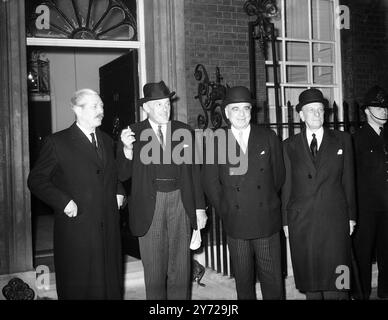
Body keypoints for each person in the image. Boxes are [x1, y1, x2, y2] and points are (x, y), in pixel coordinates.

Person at [28, 89, 124, 300]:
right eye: (94, 106)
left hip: (108, 230)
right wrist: (63, 202)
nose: (101, 111)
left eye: (101, 106)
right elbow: (36, 180)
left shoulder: (107, 140)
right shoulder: (57, 142)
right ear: (76, 110)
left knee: (110, 286)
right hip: (77, 232)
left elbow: (113, 174)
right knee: (81, 287)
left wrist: (119, 191)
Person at [118, 81, 207, 300]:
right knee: (155, 273)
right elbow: (121, 176)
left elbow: (194, 172)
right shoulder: (133, 133)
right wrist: (127, 151)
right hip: (150, 204)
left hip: (180, 202)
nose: (165, 108)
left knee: (181, 269)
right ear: (146, 107)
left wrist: (199, 209)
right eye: (159, 104)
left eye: (167, 103)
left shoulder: (183, 130)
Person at [201, 86, 285, 300]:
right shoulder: (215, 141)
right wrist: (226, 209)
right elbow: (210, 183)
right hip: (236, 222)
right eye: (235, 109)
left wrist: (265, 201)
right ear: (226, 113)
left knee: (273, 282)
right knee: (243, 283)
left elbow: (279, 177)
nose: (241, 114)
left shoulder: (268, 137)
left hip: (266, 221)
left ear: (251, 111)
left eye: (245, 108)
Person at [282, 88, 357, 300]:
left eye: (320, 110)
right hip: (302, 221)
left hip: (335, 219)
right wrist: (285, 221)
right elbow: (286, 185)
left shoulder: (342, 140)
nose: (316, 114)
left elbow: (349, 180)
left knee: (338, 281)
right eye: (311, 110)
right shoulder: (289, 146)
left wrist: (351, 217)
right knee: (311, 281)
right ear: (301, 115)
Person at [352, 85, 388, 299]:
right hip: (366, 208)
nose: (384, 111)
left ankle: (385, 291)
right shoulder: (356, 138)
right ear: (366, 110)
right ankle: (360, 293)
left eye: (386, 107)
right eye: (378, 107)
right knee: (363, 253)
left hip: (387, 206)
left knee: (387, 252)